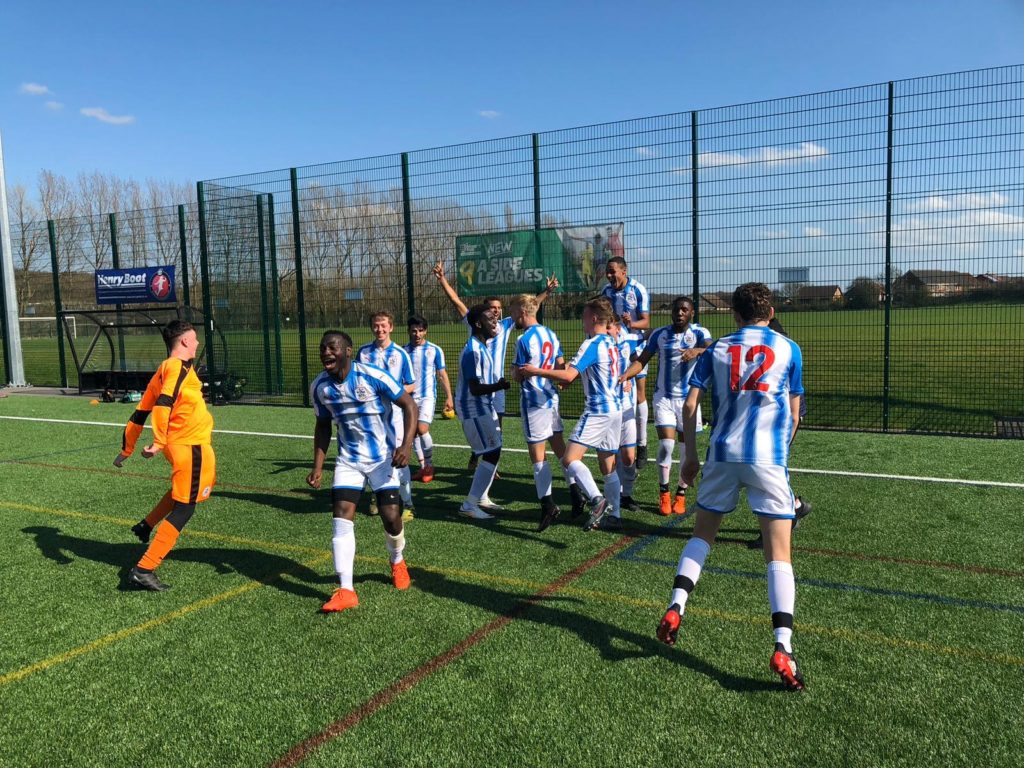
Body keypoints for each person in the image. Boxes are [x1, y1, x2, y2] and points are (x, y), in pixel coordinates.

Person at [655, 283, 806, 691]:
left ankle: (676, 606)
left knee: (702, 536)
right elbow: (794, 417)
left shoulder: (717, 348)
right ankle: (782, 646)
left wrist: (690, 457)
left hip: (721, 454)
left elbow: (689, 406)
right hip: (768, 459)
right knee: (778, 553)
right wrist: (779, 449)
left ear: (734, 315)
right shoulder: (790, 349)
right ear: (770, 311)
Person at [307, 330, 418, 613]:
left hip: (382, 459)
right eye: (322, 349)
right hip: (348, 461)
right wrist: (318, 466)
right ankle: (346, 590)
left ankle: (397, 561)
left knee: (391, 518)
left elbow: (409, 405)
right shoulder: (320, 387)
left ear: (348, 350)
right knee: (341, 517)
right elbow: (322, 426)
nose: (326, 353)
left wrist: (405, 445)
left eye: (332, 348)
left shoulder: (372, 376)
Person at [114, 320, 216, 592]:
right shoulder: (177, 368)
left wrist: (127, 448)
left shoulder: (164, 369)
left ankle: (146, 525)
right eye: (194, 339)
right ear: (183, 341)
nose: (196, 343)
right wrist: (158, 441)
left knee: (181, 493)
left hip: (183, 445)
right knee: (186, 508)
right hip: (189, 445)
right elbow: (162, 403)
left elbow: (140, 412)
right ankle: (144, 569)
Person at [432, 260, 558, 474]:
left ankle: (489, 462)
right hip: (478, 387)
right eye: (493, 308)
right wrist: (443, 279)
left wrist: (546, 291)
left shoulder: (506, 326)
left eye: (499, 309)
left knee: (496, 427)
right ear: (484, 312)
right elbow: (456, 301)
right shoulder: (475, 325)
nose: (497, 312)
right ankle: (483, 455)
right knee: (485, 427)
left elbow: (528, 307)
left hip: (497, 386)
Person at [519, 298, 623, 532]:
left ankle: (597, 500)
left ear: (594, 318)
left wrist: (536, 371)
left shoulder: (593, 343)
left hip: (598, 410)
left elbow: (568, 375)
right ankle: (614, 515)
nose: (582, 320)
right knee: (608, 466)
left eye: (584, 316)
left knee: (569, 459)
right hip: (615, 409)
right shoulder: (612, 342)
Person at [620, 296, 712, 516]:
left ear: (691, 313)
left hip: (689, 400)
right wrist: (625, 376)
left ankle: (680, 493)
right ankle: (664, 493)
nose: (679, 313)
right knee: (666, 446)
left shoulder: (699, 333)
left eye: (684, 310)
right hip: (664, 398)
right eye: (676, 309)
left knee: (685, 449)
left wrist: (697, 351)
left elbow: (712, 349)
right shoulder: (661, 334)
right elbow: (641, 360)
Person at [509, 293, 581, 531]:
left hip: (534, 401)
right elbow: (561, 366)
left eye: (512, 312)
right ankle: (575, 492)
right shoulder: (551, 333)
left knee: (538, 457)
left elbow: (519, 373)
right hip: (551, 399)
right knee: (560, 449)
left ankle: (548, 505)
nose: (512, 317)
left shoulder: (523, 339)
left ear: (522, 312)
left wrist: (516, 373)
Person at [748, 316, 811, 548]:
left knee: (768, 473)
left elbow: (794, 405)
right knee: (770, 472)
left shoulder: (779, 349)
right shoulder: (777, 346)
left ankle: (782, 522)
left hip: (780, 423)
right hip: (774, 423)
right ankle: (795, 506)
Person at [357, 310, 416, 521]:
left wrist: (392, 392)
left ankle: (408, 503)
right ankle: (376, 496)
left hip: (395, 417)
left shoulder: (401, 354)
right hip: (370, 418)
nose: (379, 329)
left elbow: (411, 384)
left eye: (383, 326)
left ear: (391, 327)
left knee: (401, 457)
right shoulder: (363, 353)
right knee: (373, 455)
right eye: (376, 325)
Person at [455, 304, 511, 520]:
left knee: (493, 450)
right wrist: (499, 386)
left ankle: (480, 498)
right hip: (474, 408)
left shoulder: (483, 346)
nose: (495, 321)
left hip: (483, 407)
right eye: (490, 318)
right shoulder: (473, 351)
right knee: (492, 451)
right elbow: (475, 388)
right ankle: (469, 504)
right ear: (478, 323)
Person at [602, 257, 652, 470]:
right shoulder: (606, 292)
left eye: (613, 271)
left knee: (639, 393)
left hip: (636, 345)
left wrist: (632, 323)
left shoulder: (638, 289)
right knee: (617, 389)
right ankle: (620, 441)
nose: (610, 276)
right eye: (608, 272)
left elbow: (646, 322)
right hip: (616, 346)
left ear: (624, 271)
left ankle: (641, 443)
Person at [404, 314, 454, 484]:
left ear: (425, 331)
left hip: (427, 397)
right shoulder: (402, 351)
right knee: (413, 433)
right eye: (413, 331)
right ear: (408, 331)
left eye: (420, 331)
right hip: (408, 399)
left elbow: (441, 374)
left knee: (422, 429)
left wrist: (449, 397)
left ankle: (430, 465)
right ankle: (423, 467)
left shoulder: (435, 350)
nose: (416, 334)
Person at [609, 316, 640, 516]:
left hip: (627, 403)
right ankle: (615, 496)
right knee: (611, 455)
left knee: (628, 457)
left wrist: (629, 376)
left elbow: (638, 361)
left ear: (618, 327)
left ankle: (626, 493)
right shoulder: (597, 342)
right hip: (609, 406)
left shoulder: (628, 340)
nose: (605, 330)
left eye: (609, 327)